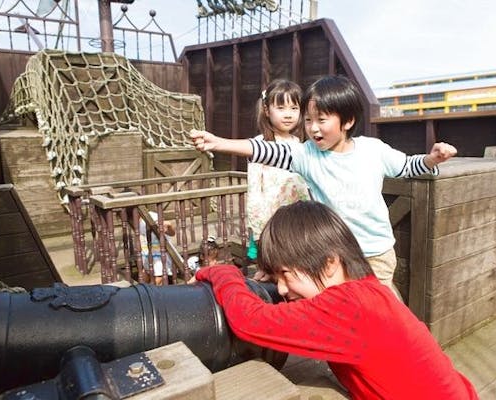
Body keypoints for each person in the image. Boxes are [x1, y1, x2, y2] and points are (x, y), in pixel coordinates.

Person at [190, 75, 458, 299]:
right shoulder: (307, 155)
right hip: (334, 255)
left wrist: (432, 159)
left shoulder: (373, 150)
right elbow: (264, 150)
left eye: (322, 120)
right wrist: (219, 143)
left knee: (381, 304)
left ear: (348, 121)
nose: (313, 128)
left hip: (376, 253)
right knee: (344, 308)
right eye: (308, 120)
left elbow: (407, 167)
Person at [193, 201, 478, 399]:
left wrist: (222, 272)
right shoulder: (368, 292)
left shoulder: (347, 308)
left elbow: (249, 321)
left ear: (330, 264)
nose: (280, 289)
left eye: (286, 274)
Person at [245, 79, 310, 260]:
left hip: (299, 221)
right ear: (267, 110)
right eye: (281, 108)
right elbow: (254, 190)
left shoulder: (302, 145)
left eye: (294, 108)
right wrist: (258, 231)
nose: (288, 114)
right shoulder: (259, 144)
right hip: (272, 222)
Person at [139, 210, 176, 285]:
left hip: (160, 255)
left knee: (157, 280)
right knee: (143, 279)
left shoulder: (151, 216)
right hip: (147, 255)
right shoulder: (134, 221)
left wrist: (168, 226)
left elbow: (171, 233)